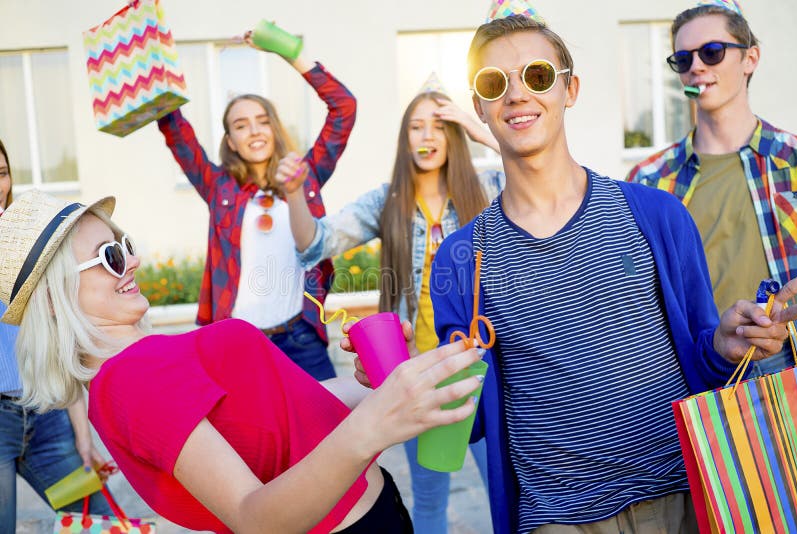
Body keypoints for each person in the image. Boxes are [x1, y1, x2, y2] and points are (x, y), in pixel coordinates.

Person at [429, 10, 797, 533]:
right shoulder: (463, 258)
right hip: (555, 519)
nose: (516, 94)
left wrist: (725, 343)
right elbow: (464, 423)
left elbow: (700, 355)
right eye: (495, 83)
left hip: (679, 500)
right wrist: (404, 375)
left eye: (536, 75)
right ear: (480, 108)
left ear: (569, 89)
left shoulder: (655, 214)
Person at [0, 189, 486, 533]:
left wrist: (393, 383)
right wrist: (376, 425)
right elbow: (255, 519)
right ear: (53, 297)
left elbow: (290, 408)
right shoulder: (132, 377)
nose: (133, 262)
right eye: (109, 256)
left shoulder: (140, 365)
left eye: (124, 245)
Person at [280, 84, 501, 532]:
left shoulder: (490, 187)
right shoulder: (388, 200)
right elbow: (315, 243)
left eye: (439, 125)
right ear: (404, 139)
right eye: (416, 126)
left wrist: (482, 131)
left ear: (454, 134)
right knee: (430, 502)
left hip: (482, 373)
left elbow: (540, 175)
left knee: (503, 495)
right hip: (419, 377)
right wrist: (294, 193)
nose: (427, 135)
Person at [156, 23, 357, 380]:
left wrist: (289, 53)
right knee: (247, 438)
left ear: (274, 129)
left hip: (301, 339)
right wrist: (155, 63)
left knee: (330, 431)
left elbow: (343, 108)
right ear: (231, 140)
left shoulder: (304, 176)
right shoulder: (218, 187)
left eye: (262, 121)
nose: (254, 131)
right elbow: (177, 132)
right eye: (241, 125)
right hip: (238, 345)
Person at [626, 0, 797, 378]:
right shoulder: (649, 180)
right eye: (683, 59)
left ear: (750, 58)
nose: (697, 68)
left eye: (712, 52)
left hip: (789, 363)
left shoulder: (795, 159)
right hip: (700, 371)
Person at [0, 140, 112, 529]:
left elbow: (56, 340)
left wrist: (83, 436)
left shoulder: (25, 248)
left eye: (1, 173)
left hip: (46, 415)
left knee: (97, 522)